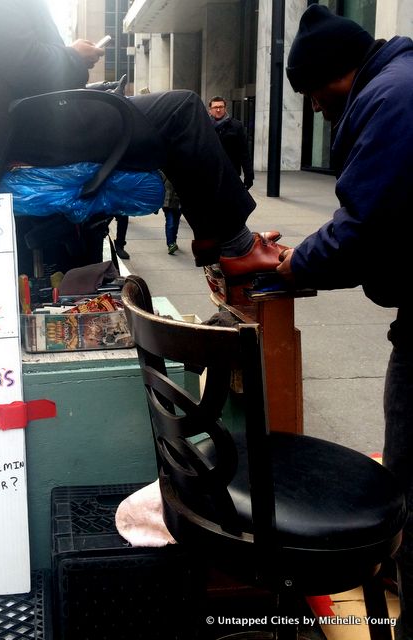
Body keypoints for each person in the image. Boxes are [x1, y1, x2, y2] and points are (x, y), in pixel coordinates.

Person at [0, 0, 286, 278]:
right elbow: (27, 65)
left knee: (169, 112)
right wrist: (75, 56)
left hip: (31, 123)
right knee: (182, 110)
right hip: (44, 125)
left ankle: (212, 237)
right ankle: (235, 246)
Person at [278, 6, 413, 637]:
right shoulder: (399, 87)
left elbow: (362, 230)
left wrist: (292, 266)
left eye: (309, 93)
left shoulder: (391, 100)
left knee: (406, 477)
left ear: (339, 76)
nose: (312, 110)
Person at [208, 96, 254, 190]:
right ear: (210, 110)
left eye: (221, 107)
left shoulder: (236, 126)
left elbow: (244, 153)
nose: (218, 110)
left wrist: (249, 175)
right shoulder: (205, 126)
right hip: (210, 173)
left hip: (231, 173)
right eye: (215, 107)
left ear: (225, 108)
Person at [160, 173, 182, 255]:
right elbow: (158, 186)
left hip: (178, 203)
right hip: (167, 202)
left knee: (176, 223)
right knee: (170, 223)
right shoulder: (163, 172)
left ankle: (173, 241)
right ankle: (170, 244)